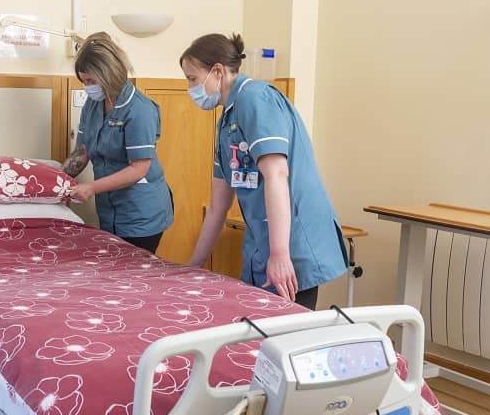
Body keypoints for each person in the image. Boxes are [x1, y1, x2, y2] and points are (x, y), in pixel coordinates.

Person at [180, 33, 347, 309]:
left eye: (192, 79)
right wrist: (194, 265)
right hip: (263, 240)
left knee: (287, 334)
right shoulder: (227, 121)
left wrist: (280, 254)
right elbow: (218, 208)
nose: (190, 89)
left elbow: (276, 175)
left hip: (293, 240)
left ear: (218, 71)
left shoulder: (256, 99)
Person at [64, 32, 173, 253]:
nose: (88, 87)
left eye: (91, 81)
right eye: (84, 81)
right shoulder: (93, 105)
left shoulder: (140, 109)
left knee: (133, 276)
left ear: (109, 74)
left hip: (140, 213)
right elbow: (83, 150)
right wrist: (56, 179)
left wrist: (90, 188)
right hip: (109, 209)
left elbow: (139, 168)